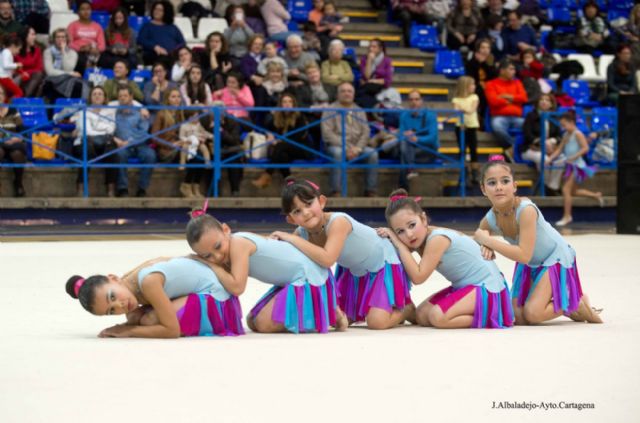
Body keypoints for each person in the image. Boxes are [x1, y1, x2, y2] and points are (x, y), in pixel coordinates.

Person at [270, 178, 415, 329]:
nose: (306, 213)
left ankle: (407, 308)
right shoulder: (300, 234)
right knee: (335, 318)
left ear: (321, 202)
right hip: (354, 272)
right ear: (291, 219)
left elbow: (327, 259)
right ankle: (384, 307)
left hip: (381, 263)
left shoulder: (338, 221)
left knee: (377, 322)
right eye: (297, 211)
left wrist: (290, 238)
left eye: (309, 204)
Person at [474, 155, 603, 325]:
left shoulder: (526, 210)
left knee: (533, 314)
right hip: (532, 262)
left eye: (505, 181)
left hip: (554, 257)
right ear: (483, 189)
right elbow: (479, 233)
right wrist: (484, 243)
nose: (499, 187)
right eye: (492, 183)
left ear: (514, 186)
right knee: (517, 316)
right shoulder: (491, 217)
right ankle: (565, 298)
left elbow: (524, 255)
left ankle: (573, 303)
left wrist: (489, 242)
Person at [186, 204, 348, 334]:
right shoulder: (226, 250)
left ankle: (326, 310)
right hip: (294, 279)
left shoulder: (238, 243)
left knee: (263, 324)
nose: (217, 257)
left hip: (310, 277)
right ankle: (323, 307)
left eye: (217, 246)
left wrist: (209, 264)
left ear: (226, 230)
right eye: (207, 256)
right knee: (252, 321)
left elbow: (237, 287)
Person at [377, 189, 514, 329]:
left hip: (488, 287)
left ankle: (494, 314)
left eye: (412, 225)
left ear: (423, 219)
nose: (409, 234)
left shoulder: (437, 239)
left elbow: (418, 277)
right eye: (400, 231)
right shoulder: (419, 238)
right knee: (421, 315)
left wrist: (398, 241)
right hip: (464, 287)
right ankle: (408, 309)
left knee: (438, 317)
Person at [65, 256, 244, 338]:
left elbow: (171, 331)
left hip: (220, 302)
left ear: (114, 278)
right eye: (112, 311)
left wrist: (128, 331)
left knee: (149, 321)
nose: (120, 305)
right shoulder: (129, 282)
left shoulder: (148, 282)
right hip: (205, 291)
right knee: (135, 317)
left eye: (112, 296)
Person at [321, 82, 378, 197]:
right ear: (338, 94)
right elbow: (327, 133)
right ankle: (336, 191)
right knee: (337, 153)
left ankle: (370, 190)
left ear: (353, 94)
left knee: (372, 154)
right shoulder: (329, 109)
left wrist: (358, 148)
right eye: (343, 91)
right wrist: (347, 147)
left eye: (349, 91)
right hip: (336, 145)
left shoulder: (360, 111)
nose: (346, 94)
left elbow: (366, 132)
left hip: (357, 147)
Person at [548, 111, 603, 227]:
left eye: (564, 125)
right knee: (573, 192)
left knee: (565, 190)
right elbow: (560, 149)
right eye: (561, 125)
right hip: (571, 165)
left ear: (572, 122)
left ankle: (567, 216)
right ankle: (596, 195)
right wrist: (551, 158)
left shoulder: (578, 134)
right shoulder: (566, 135)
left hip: (577, 166)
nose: (563, 128)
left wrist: (573, 157)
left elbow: (585, 148)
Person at [251, 93, 312, 188]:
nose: (287, 104)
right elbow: (264, 128)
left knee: (279, 147)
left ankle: (267, 175)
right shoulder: (277, 118)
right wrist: (269, 134)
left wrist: (279, 141)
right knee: (282, 156)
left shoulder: (300, 118)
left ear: (293, 104)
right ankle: (291, 184)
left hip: (301, 148)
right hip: (284, 150)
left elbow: (297, 138)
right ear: (280, 104)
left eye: (290, 102)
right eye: (284, 102)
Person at [71, 86, 117, 197]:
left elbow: (111, 129)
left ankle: (110, 189)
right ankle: (81, 187)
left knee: (113, 152)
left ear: (104, 97)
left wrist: (95, 127)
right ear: (90, 97)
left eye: (100, 94)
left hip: (103, 143)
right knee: (87, 150)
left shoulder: (110, 112)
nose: (97, 96)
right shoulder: (83, 113)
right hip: (84, 143)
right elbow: (87, 131)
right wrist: (102, 128)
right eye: (94, 94)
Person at [112, 86, 155, 198]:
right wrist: (117, 140)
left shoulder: (140, 112)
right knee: (119, 155)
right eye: (120, 96)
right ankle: (122, 189)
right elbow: (109, 128)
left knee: (150, 155)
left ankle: (142, 189)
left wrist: (130, 141)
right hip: (122, 145)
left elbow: (143, 131)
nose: (122, 98)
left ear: (131, 97)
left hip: (140, 145)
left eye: (125, 95)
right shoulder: (113, 113)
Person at [521, 93, 564, 195]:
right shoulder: (530, 116)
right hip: (531, 149)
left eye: (547, 100)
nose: (544, 102)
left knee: (562, 159)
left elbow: (559, 136)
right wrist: (542, 143)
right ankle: (548, 187)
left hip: (550, 150)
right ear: (537, 103)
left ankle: (552, 187)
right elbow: (527, 135)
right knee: (544, 159)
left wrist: (552, 141)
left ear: (551, 104)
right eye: (542, 99)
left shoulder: (554, 118)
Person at [395, 89, 439, 190]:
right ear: (408, 102)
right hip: (408, 149)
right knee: (404, 146)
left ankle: (402, 187)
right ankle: (410, 171)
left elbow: (432, 138)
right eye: (411, 99)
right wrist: (406, 135)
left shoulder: (430, 116)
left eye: (416, 99)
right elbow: (401, 134)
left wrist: (417, 139)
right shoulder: (404, 116)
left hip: (426, 151)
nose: (414, 102)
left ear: (421, 101)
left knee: (404, 149)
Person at [485, 59, 527, 158]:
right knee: (497, 126)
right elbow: (493, 101)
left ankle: (514, 149)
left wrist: (507, 97)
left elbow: (524, 98)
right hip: (499, 116)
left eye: (514, 69)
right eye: (511, 69)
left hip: (517, 117)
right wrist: (513, 100)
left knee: (533, 126)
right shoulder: (491, 84)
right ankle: (515, 147)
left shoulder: (517, 83)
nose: (514, 71)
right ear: (502, 70)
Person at [43, 28, 90, 102]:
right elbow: (50, 72)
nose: (60, 39)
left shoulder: (73, 53)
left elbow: (68, 68)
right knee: (50, 85)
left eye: (63, 37)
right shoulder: (48, 52)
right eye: (58, 37)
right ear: (54, 39)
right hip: (53, 79)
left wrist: (63, 52)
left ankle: (75, 108)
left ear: (67, 39)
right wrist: (70, 73)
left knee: (79, 85)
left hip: (67, 80)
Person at [137, 1, 186, 65]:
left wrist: (173, 51)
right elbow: (141, 40)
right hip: (154, 55)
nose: (156, 11)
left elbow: (182, 42)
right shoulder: (147, 26)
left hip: (172, 55)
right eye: (155, 9)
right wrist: (154, 47)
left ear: (166, 12)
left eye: (160, 10)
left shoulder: (172, 27)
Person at [452, 76, 480, 183]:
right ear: (466, 86)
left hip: (471, 126)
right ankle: (464, 172)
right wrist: (462, 110)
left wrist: (462, 110)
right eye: (472, 84)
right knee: (462, 149)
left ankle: (474, 172)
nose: (474, 86)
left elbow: (471, 109)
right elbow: (456, 110)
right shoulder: (456, 99)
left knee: (473, 150)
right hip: (460, 127)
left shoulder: (475, 97)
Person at [465, 38, 497, 130]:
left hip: (490, 87)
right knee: (479, 92)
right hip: (477, 87)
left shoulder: (491, 61)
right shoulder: (471, 62)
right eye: (483, 47)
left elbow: (493, 77)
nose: (485, 50)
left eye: (488, 48)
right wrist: (478, 63)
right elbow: (471, 78)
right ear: (478, 49)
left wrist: (485, 64)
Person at [67, 0, 106, 74]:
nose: (86, 12)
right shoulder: (72, 25)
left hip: (94, 52)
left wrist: (96, 49)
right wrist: (81, 48)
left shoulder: (97, 26)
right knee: (81, 60)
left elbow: (102, 45)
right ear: (78, 11)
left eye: (88, 9)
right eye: (83, 9)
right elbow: (69, 43)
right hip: (78, 52)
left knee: (105, 60)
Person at [0, 85, 26, 197]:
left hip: (13, 142)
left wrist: (17, 138)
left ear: (4, 96)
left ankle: (18, 183)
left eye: (0, 93)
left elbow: (22, 131)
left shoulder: (13, 110)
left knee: (17, 154)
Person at [357, 38, 393, 109]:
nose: (371, 49)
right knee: (365, 94)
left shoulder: (387, 61)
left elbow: (387, 81)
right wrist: (369, 61)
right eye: (370, 46)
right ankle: (374, 108)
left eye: (374, 47)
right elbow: (366, 76)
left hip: (379, 85)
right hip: (367, 86)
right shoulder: (364, 59)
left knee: (361, 93)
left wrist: (374, 81)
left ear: (380, 49)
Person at [15, 26, 44, 97]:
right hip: (19, 77)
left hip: (33, 78)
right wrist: (23, 73)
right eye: (32, 34)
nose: (35, 37)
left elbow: (39, 68)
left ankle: (25, 96)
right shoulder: (15, 49)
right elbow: (12, 67)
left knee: (38, 74)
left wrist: (27, 72)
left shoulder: (37, 50)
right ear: (25, 36)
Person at [0, 34, 23, 98]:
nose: (18, 52)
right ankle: (10, 106)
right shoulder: (7, 52)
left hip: (4, 78)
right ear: (13, 46)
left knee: (6, 95)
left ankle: (7, 105)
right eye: (18, 49)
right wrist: (17, 65)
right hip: (4, 78)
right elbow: (6, 65)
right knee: (19, 92)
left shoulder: (5, 52)